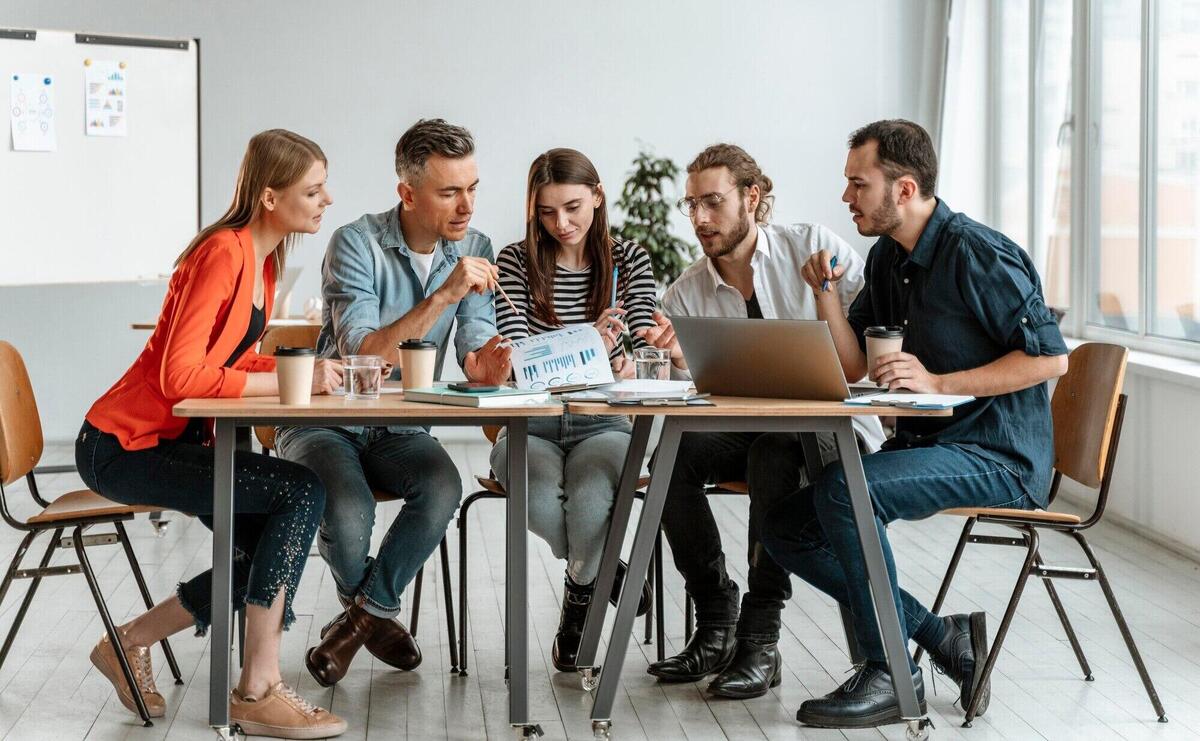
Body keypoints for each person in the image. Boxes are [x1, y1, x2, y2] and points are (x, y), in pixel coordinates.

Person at [760, 119, 1068, 728]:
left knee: (848, 491)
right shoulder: (884, 260)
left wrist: (939, 383)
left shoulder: (978, 253)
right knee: (784, 527)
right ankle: (942, 638)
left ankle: (890, 672)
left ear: (903, 189)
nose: (846, 197)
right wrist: (825, 294)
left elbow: (1049, 357)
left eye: (858, 184)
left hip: (1000, 456)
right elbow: (853, 367)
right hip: (936, 447)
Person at [75, 129, 346, 739]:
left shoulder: (263, 261)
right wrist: (286, 376)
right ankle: (258, 688)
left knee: (266, 538)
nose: (327, 199)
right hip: (122, 445)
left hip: (172, 442)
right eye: (314, 188)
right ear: (271, 197)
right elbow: (180, 377)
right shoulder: (224, 252)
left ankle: (134, 643)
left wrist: (299, 371)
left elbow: (227, 358)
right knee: (298, 493)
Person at [635, 143, 885, 698]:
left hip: (828, 436)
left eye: (713, 203)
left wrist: (830, 301)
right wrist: (678, 363)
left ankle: (760, 636)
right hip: (750, 431)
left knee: (772, 453)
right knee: (671, 457)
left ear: (752, 197)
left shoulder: (815, 248)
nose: (700, 219)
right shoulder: (686, 291)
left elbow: (877, 331)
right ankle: (716, 614)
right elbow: (683, 399)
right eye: (691, 205)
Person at [275, 118, 512, 686]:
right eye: (450, 191)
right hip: (330, 422)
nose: (467, 205)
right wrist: (446, 291)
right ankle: (378, 619)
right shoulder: (356, 242)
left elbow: (473, 349)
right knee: (348, 509)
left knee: (443, 486)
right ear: (408, 193)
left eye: (473, 187)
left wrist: (490, 365)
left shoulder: (475, 247)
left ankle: (359, 622)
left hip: (403, 429)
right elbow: (367, 355)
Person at [490, 148, 657, 671]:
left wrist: (588, 351)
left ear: (598, 197)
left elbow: (631, 357)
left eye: (573, 207)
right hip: (529, 423)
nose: (560, 223)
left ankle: (577, 613)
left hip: (603, 420)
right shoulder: (515, 261)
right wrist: (591, 343)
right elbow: (520, 359)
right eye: (546, 212)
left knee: (589, 503)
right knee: (538, 500)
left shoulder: (629, 260)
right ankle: (607, 571)